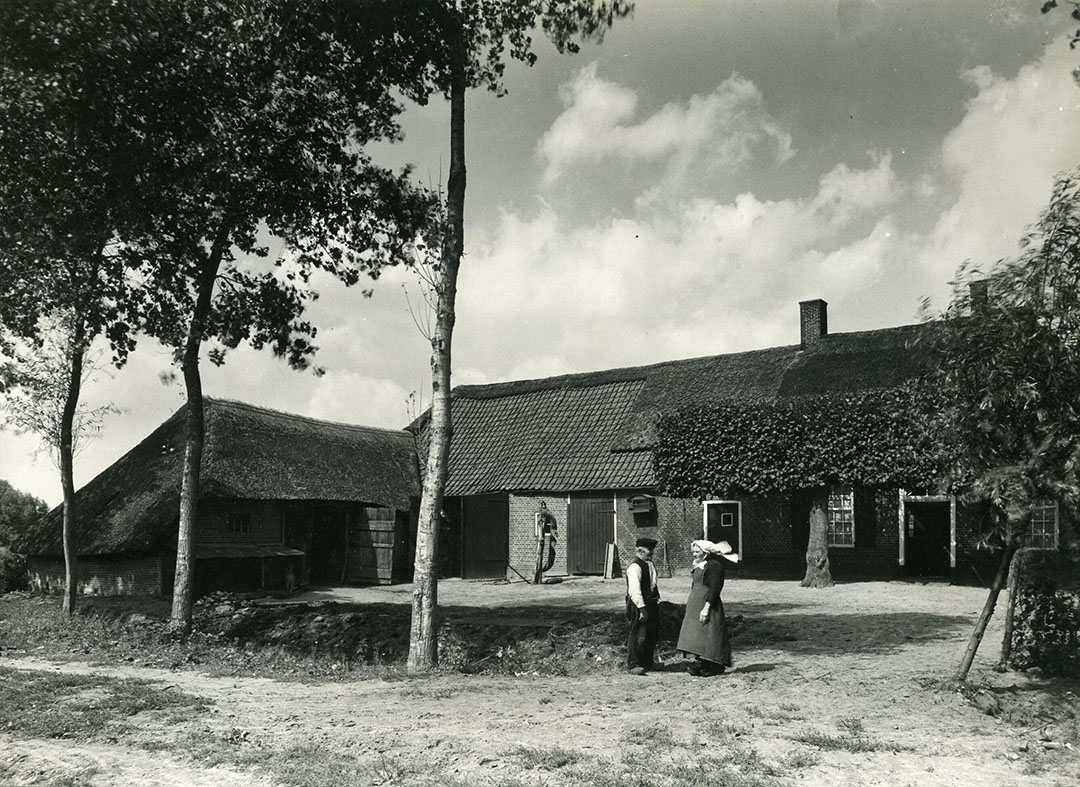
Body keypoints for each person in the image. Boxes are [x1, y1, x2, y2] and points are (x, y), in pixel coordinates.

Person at [677, 539, 739, 676]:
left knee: (711, 634)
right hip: (696, 604)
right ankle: (703, 665)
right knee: (699, 635)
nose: (694, 554)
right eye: (693, 552)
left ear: (705, 552)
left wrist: (706, 607)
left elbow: (715, 588)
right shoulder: (699, 565)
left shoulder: (714, 565)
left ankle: (715, 666)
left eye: (697, 552)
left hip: (708, 604)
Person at [625, 536, 661, 675]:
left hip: (651, 603)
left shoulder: (649, 564)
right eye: (649, 549)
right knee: (638, 635)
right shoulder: (634, 566)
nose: (651, 552)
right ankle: (633, 664)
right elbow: (634, 591)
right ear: (640, 550)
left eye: (652, 549)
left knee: (651, 634)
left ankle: (648, 662)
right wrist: (641, 608)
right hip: (638, 605)